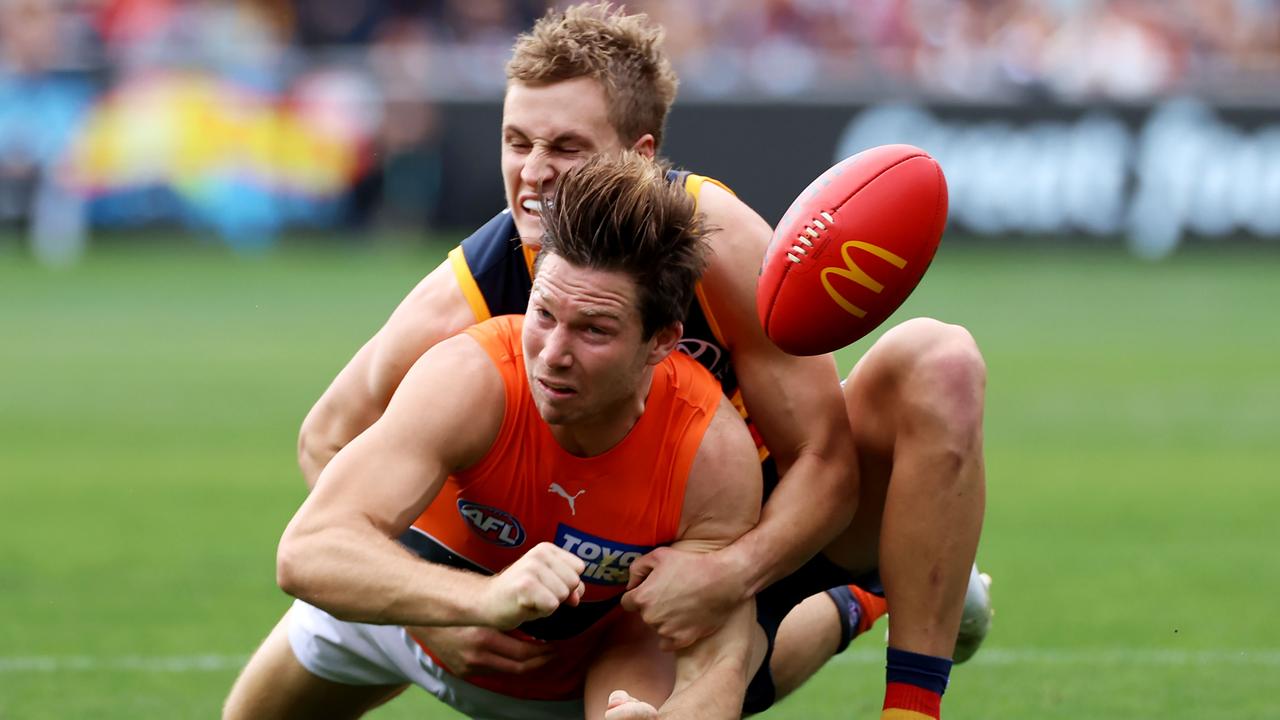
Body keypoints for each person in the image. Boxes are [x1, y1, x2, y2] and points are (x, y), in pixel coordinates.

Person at [297, 3, 990, 718]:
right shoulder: (465, 294)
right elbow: (327, 437)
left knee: (941, 360)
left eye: (566, 147)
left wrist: (730, 571)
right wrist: (435, 609)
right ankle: (865, 596)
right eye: (516, 141)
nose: (534, 174)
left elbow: (824, 460)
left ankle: (908, 697)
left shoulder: (719, 241)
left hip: (765, 527)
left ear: (641, 154)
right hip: (626, 579)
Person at [224, 153, 765, 720]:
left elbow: (720, 664)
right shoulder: (472, 376)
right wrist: (477, 602)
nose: (553, 356)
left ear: (661, 342)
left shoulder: (712, 452)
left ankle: (851, 603)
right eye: (545, 314)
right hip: (397, 618)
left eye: (595, 330)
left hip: (567, 679)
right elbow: (307, 551)